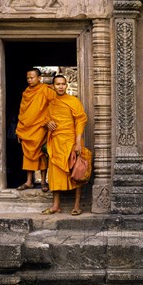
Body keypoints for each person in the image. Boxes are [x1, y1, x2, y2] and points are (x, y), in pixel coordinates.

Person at [42, 75, 87, 215]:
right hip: (56, 142)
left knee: (76, 171)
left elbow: (80, 121)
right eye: (57, 84)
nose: (60, 87)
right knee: (56, 174)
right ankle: (56, 205)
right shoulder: (50, 103)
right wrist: (47, 123)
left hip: (71, 141)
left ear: (66, 85)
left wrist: (78, 142)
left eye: (63, 84)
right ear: (53, 86)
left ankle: (77, 205)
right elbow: (44, 119)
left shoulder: (73, 101)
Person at [15, 68, 54, 192]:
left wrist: (48, 121)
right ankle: (29, 181)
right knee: (27, 154)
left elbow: (54, 107)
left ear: (39, 78)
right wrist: (19, 128)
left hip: (41, 126)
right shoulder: (26, 93)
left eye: (32, 77)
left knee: (42, 154)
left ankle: (43, 181)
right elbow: (22, 111)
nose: (29, 80)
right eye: (28, 78)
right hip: (27, 127)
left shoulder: (46, 90)